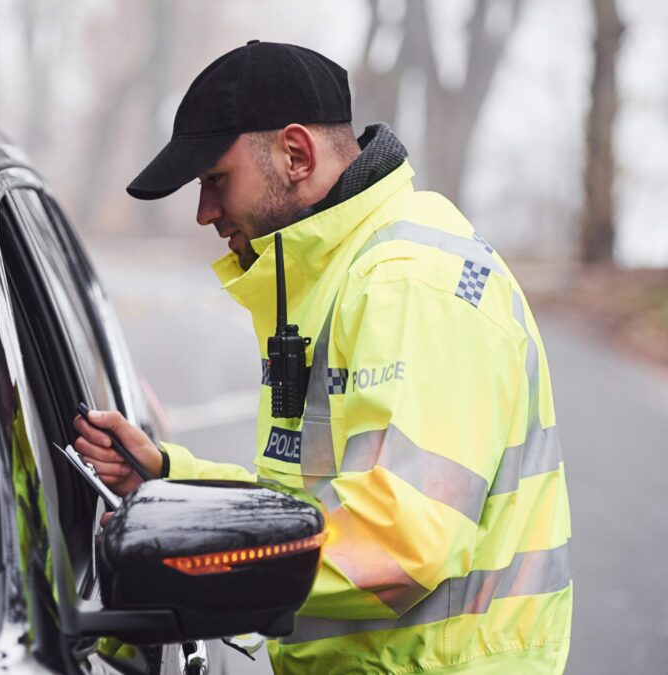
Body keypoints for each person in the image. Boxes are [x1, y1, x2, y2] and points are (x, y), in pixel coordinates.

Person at [73, 41, 572, 674]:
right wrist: (172, 477)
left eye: (215, 180)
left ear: (297, 154)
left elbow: (398, 544)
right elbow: (309, 513)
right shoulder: (343, 276)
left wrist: (187, 572)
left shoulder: (408, 285)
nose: (204, 213)